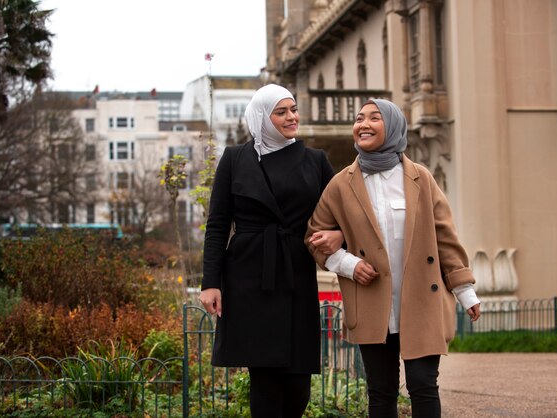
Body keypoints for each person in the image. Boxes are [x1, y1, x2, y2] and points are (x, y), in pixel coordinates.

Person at [306, 99, 481, 418]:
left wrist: (464, 290)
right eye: (359, 119)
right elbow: (315, 238)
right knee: (381, 390)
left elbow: (445, 237)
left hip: (422, 301)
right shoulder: (341, 184)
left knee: (423, 385)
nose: (363, 124)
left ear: (394, 126)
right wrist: (350, 264)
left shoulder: (420, 178)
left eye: (374, 117)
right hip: (373, 304)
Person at [199, 84, 341, 418]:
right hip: (249, 275)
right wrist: (210, 282)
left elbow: (343, 211)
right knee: (263, 376)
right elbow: (217, 223)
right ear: (263, 116)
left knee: (298, 381)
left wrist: (339, 234)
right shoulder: (235, 158)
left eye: (293, 109)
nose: (292, 117)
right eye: (282, 112)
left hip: (295, 272)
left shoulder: (315, 160)